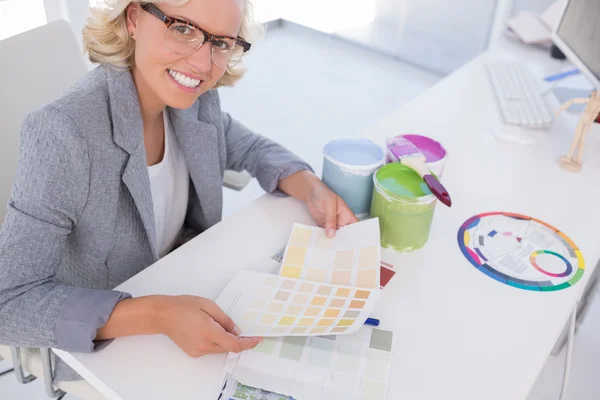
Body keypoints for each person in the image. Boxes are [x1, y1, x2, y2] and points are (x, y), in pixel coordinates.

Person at [0, 0, 357, 384]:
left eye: (222, 42)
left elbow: (248, 146)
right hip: (110, 343)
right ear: (134, 18)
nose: (203, 65)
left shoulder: (193, 99)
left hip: (186, 290)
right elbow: (8, 303)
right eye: (183, 28)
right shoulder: (64, 135)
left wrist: (308, 184)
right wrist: (158, 314)